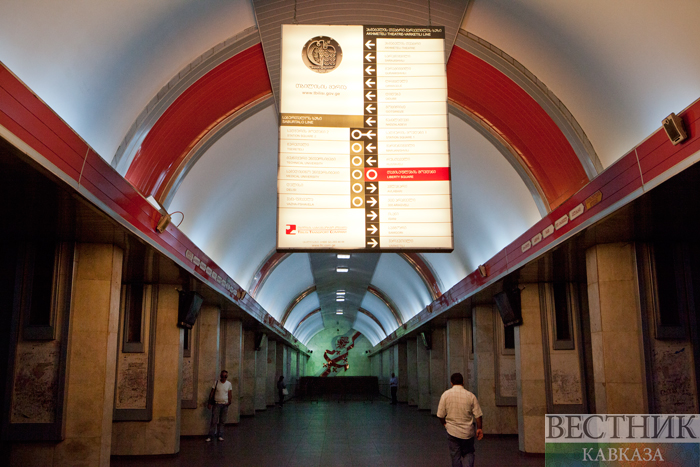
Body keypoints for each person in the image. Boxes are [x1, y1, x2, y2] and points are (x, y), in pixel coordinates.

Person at [437, 373, 483, 467]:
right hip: (467, 432)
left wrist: (445, 424)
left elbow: (440, 415)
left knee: (455, 456)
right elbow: (478, 415)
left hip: (452, 431)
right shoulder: (470, 396)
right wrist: (479, 428)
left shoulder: (445, 395)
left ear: (451, 382)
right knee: (469, 453)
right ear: (463, 382)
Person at [206, 370, 232, 442]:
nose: (224, 378)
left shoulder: (229, 384)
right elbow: (212, 393)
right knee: (214, 420)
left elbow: (229, 393)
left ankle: (220, 435)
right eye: (223, 376)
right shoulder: (216, 383)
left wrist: (229, 401)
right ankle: (210, 435)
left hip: (225, 404)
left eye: (225, 376)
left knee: (222, 420)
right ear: (220, 376)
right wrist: (209, 402)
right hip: (217, 404)